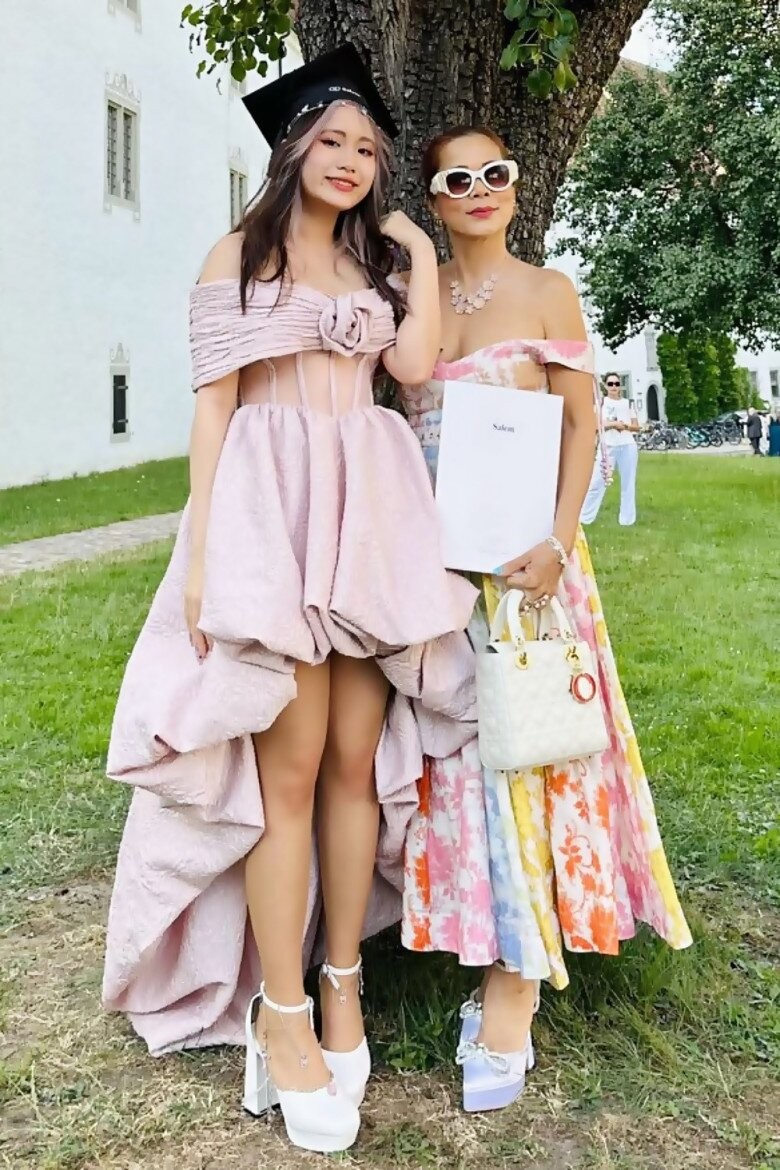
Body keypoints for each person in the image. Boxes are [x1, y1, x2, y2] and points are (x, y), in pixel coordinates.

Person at [101, 45, 480, 1153]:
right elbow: (215, 409)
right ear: (293, 148)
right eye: (331, 141)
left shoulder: (381, 257)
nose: (350, 160)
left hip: (371, 515)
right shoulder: (239, 253)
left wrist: (417, 247)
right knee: (290, 767)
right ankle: (281, 1015)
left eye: (367, 147)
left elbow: (414, 369)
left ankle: (342, 983)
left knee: (357, 760)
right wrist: (205, 558)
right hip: (273, 513)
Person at [399, 125, 692, 1113]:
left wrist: (559, 545)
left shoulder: (549, 290)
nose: (480, 187)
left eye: (497, 172)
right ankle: (470, 927)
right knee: (449, 768)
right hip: (431, 572)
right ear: (435, 199)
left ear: (516, 188)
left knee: (524, 760)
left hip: (526, 571)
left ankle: (514, 985)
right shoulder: (415, 292)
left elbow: (580, 425)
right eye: (458, 178)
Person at [580, 375, 640, 527]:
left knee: (628, 483)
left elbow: (636, 426)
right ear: (606, 386)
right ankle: (585, 517)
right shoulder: (601, 403)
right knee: (597, 481)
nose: (614, 386)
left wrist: (625, 426)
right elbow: (596, 424)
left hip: (627, 445)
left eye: (617, 383)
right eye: (611, 383)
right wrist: (613, 424)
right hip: (608, 446)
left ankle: (627, 520)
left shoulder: (628, 403)